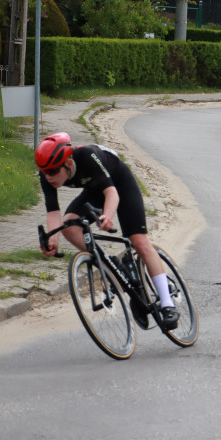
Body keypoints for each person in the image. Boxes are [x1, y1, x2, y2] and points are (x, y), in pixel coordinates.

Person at [36, 132, 180, 329]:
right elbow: (53, 213)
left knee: (139, 241)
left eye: (52, 171)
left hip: (119, 185)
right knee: (69, 225)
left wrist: (108, 216)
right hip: (95, 190)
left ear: (68, 164)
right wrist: (53, 240)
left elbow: (111, 193)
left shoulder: (87, 156)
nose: (48, 176)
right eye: (44, 172)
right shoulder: (47, 175)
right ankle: (111, 265)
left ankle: (167, 304)